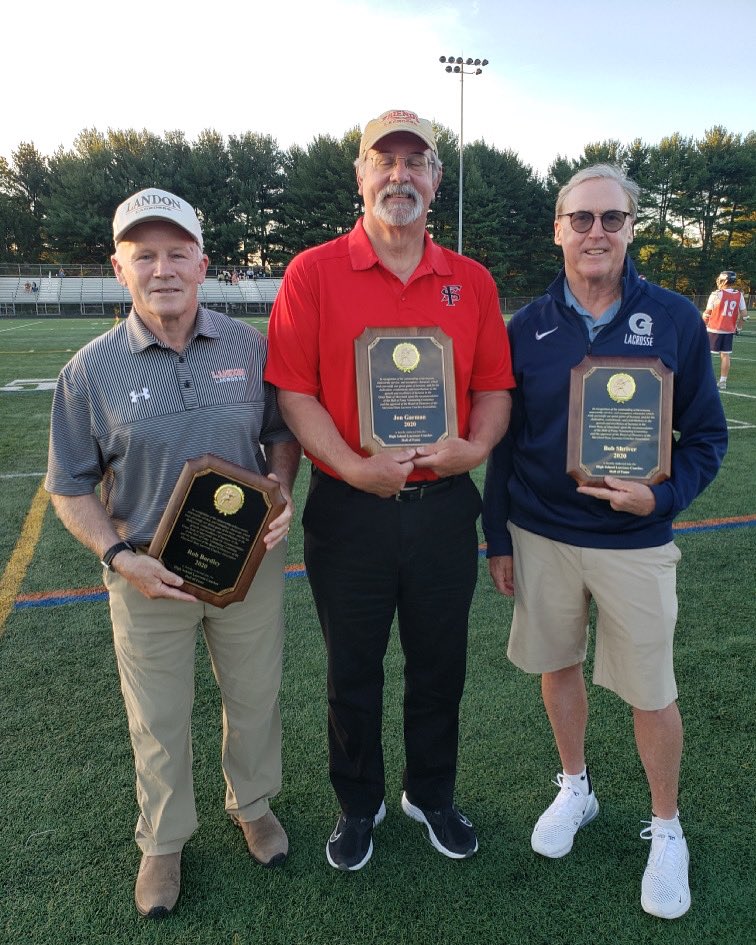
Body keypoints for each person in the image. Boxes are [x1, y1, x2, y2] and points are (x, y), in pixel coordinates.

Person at [265, 108, 514, 871]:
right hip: (350, 510)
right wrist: (351, 465)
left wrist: (472, 446)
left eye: (417, 161)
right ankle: (359, 801)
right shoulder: (313, 271)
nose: (400, 174)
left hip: (442, 510)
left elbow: (495, 387)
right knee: (353, 668)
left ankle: (431, 793)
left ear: (436, 180)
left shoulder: (469, 280)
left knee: (441, 662)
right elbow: (295, 393)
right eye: (386, 160)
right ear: (362, 175)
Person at [45, 187, 301, 918]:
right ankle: (163, 839)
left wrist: (280, 491)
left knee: (254, 697)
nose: (163, 268)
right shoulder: (89, 372)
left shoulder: (249, 347)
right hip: (149, 572)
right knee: (158, 715)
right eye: (145, 254)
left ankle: (251, 802)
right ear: (120, 267)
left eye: (177, 252)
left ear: (203, 263)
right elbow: (69, 485)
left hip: (246, 565)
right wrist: (119, 554)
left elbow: (282, 433)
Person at [482, 164, 728, 920]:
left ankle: (666, 823)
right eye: (581, 218)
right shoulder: (524, 327)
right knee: (558, 666)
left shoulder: (679, 318)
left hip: (634, 539)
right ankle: (576, 785)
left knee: (651, 690)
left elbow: (707, 437)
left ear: (630, 227)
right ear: (558, 228)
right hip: (542, 533)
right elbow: (504, 441)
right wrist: (497, 537)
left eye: (611, 219)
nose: (596, 232)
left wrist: (661, 494)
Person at [702, 270, 748, 390]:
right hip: (728, 330)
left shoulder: (716, 294)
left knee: (706, 355)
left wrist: (703, 324)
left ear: (725, 280)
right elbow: (744, 315)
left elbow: (707, 314)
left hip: (714, 328)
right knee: (725, 355)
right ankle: (723, 381)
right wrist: (739, 327)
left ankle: (705, 380)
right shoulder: (739, 294)